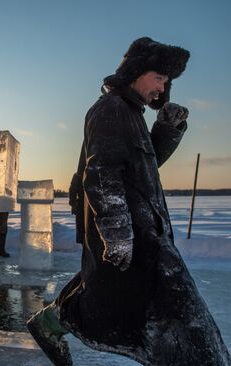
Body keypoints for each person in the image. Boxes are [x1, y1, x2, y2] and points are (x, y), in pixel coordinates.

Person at [27, 37, 231, 365]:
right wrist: (118, 234)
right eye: (159, 78)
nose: (162, 90)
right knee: (183, 326)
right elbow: (102, 175)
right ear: (137, 71)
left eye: (168, 82)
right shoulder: (110, 110)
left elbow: (140, 169)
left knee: (116, 298)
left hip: (147, 233)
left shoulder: (131, 112)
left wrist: (167, 130)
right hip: (135, 234)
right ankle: (54, 322)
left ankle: (52, 322)